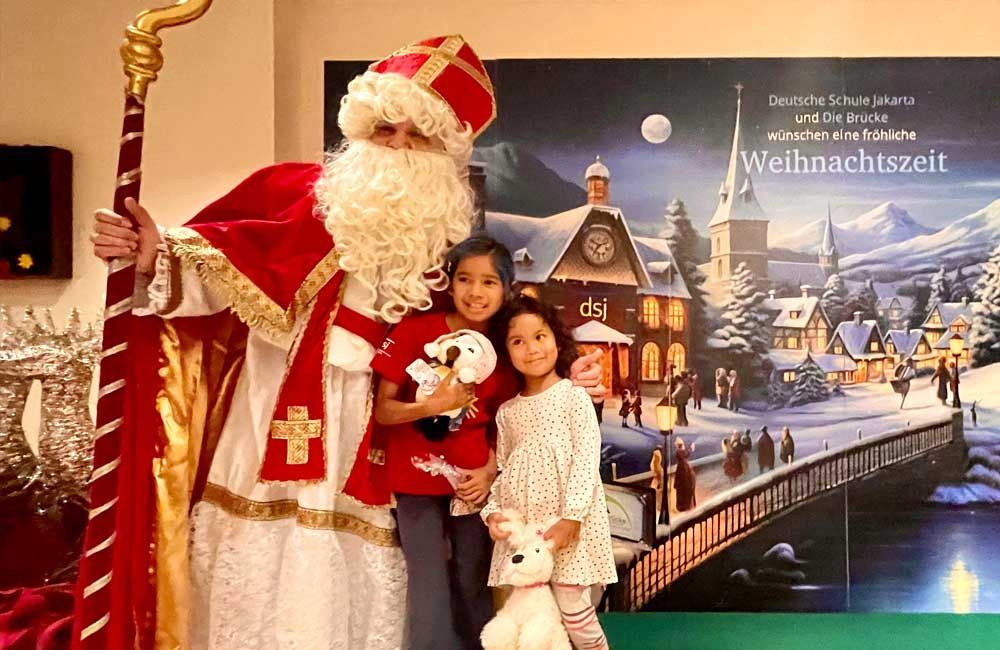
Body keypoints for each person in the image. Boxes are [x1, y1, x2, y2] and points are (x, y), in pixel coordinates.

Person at [83, 37, 604, 648]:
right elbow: (221, 269)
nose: (399, 146)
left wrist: (563, 373)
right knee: (259, 550)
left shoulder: (450, 248)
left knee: (377, 563)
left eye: (419, 135)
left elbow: (492, 343)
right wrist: (154, 258)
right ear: (362, 130)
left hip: (385, 428)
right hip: (275, 407)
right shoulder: (294, 192)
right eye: (387, 128)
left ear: (445, 155)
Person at [370, 236, 514, 649]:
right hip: (415, 482)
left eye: (489, 282)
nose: (475, 292)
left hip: (473, 486)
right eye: (465, 279)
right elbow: (383, 410)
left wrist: (488, 472)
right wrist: (433, 405)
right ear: (449, 285)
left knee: (473, 581)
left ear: (506, 290)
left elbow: (504, 427)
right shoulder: (416, 330)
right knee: (428, 581)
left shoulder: (506, 349)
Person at [483, 296, 616, 650]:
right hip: (527, 530)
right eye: (518, 341)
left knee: (574, 609)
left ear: (557, 339)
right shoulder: (508, 413)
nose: (532, 349)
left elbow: (586, 460)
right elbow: (504, 472)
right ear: (506, 350)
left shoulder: (573, 397)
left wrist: (571, 517)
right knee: (534, 618)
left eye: (539, 336)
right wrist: (493, 512)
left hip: (567, 526)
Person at [673, 437, 697, 512]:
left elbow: (686, 454)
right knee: (684, 490)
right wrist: (691, 448)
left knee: (683, 490)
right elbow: (686, 454)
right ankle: (685, 506)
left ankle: (684, 506)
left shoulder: (680, 455)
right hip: (684, 475)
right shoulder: (681, 454)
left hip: (683, 474)